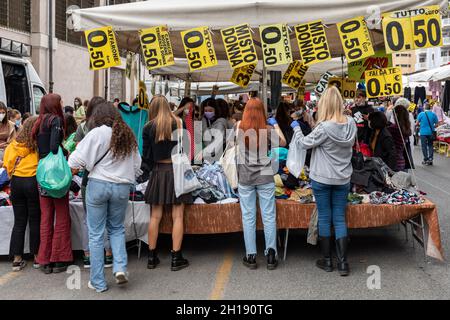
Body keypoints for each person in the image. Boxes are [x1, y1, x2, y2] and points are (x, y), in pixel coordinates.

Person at [69, 102, 141, 292]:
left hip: (98, 186)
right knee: (116, 228)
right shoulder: (127, 135)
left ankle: (98, 281)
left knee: (96, 233)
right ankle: (119, 268)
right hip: (122, 187)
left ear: (97, 117)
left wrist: (90, 164)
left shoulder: (97, 133)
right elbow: (137, 166)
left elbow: (74, 160)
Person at [290, 86, 357, 276]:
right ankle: (343, 263)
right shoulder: (351, 123)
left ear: (324, 104)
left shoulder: (324, 127)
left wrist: (296, 128)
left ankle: (327, 261)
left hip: (322, 178)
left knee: (325, 217)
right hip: (343, 177)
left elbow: (304, 143)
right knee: (339, 217)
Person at [142, 96, 192, 271]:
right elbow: (186, 150)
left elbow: (146, 157)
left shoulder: (148, 127)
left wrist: (142, 175)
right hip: (176, 172)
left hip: (157, 172)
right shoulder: (178, 122)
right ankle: (176, 257)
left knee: (155, 216)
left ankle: (151, 256)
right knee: (177, 216)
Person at [235, 98, 286, 270]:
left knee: (248, 217)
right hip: (265, 175)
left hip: (246, 176)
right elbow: (283, 143)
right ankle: (271, 254)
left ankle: (251, 256)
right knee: (268, 216)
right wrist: (276, 125)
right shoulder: (268, 129)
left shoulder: (239, 128)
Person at [31, 93, 73, 274]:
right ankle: (59, 258)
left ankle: (44, 259)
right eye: (60, 101)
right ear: (54, 104)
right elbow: (54, 147)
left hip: (42, 174)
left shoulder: (39, 122)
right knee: (62, 216)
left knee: (46, 218)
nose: (62, 104)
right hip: (56, 174)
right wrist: (65, 150)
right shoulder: (55, 120)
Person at [74, 96, 113, 269]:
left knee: (88, 219)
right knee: (106, 219)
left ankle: (88, 255)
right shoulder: (113, 129)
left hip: (88, 178)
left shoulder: (83, 127)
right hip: (109, 177)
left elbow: (76, 152)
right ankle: (108, 253)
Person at [3, 116, 40, 271]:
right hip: (32, 182)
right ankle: (37, 257)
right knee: (34, 220)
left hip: (17, 182)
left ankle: (17, 259)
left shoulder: (13, 146)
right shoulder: (37, 146)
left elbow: (7, 166)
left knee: (19, 221)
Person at [198, 98, 228, 162]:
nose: (208, 113)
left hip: (217, 157)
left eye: (210, 110)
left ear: (216, 110)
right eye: (205, 111)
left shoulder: (220, 123)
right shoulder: (207, 121)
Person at [389, 104, 412, 171]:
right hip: (401, 161)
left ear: (396, 114)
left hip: (394, 163)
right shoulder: (406, 128)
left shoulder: (394, 129)